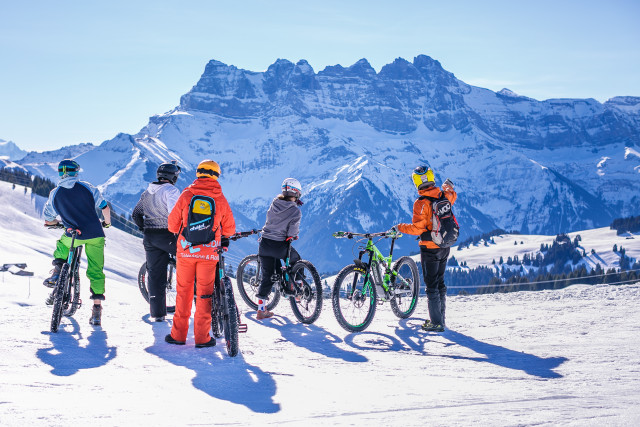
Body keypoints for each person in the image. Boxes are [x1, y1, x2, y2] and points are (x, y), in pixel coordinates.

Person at [165, 160, 235, 348]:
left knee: (183, 292)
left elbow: (172, 224)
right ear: (216, 176)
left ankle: (178, 335)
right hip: (209, 253)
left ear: (197, 173)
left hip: (186, 251)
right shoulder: (219, 198)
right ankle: (202, 338)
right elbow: (230, 228)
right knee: (204, 294)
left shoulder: (187, 194)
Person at [43, 159, 111, 326]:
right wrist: (107, 223)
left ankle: (57, 271)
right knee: (95, 269)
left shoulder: (55, 192)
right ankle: (96, 311)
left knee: (62, 245)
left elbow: (48, 218)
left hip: (74, 234)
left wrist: (55, 223)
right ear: (76, 172)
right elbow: (105, 208)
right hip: (95, 234)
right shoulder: (87, 187)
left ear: (60, 173)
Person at [396, 166, 457, 332]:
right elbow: (453, 194)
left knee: (431, 284)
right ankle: (440, 318)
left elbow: (417, 229)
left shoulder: (421, 203)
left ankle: (436, 323)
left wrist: (399, 227)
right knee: (440, 281)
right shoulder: (443, 196)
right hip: (444, 245)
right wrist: (447, 186)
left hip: (429, 248)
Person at [132, 161, 181, 322]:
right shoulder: (171, 190)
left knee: (154, 274)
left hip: (150, 237)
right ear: (173, 177)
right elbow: (175, 215)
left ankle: (158, 314)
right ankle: (195, 298)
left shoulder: (147, 193)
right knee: (188, 262)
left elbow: (136, 214)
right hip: (167, 235)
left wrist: (144, 229)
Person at [255, 178, 303, 320]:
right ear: (297, 193)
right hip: (279, 246)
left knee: (267, 277)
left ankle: (261, 310)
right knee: (297, 260)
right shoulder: (295, 211)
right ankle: (297, 290)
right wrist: (293, 236)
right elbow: (292, 233)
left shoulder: (274, 203)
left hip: (264, 244)